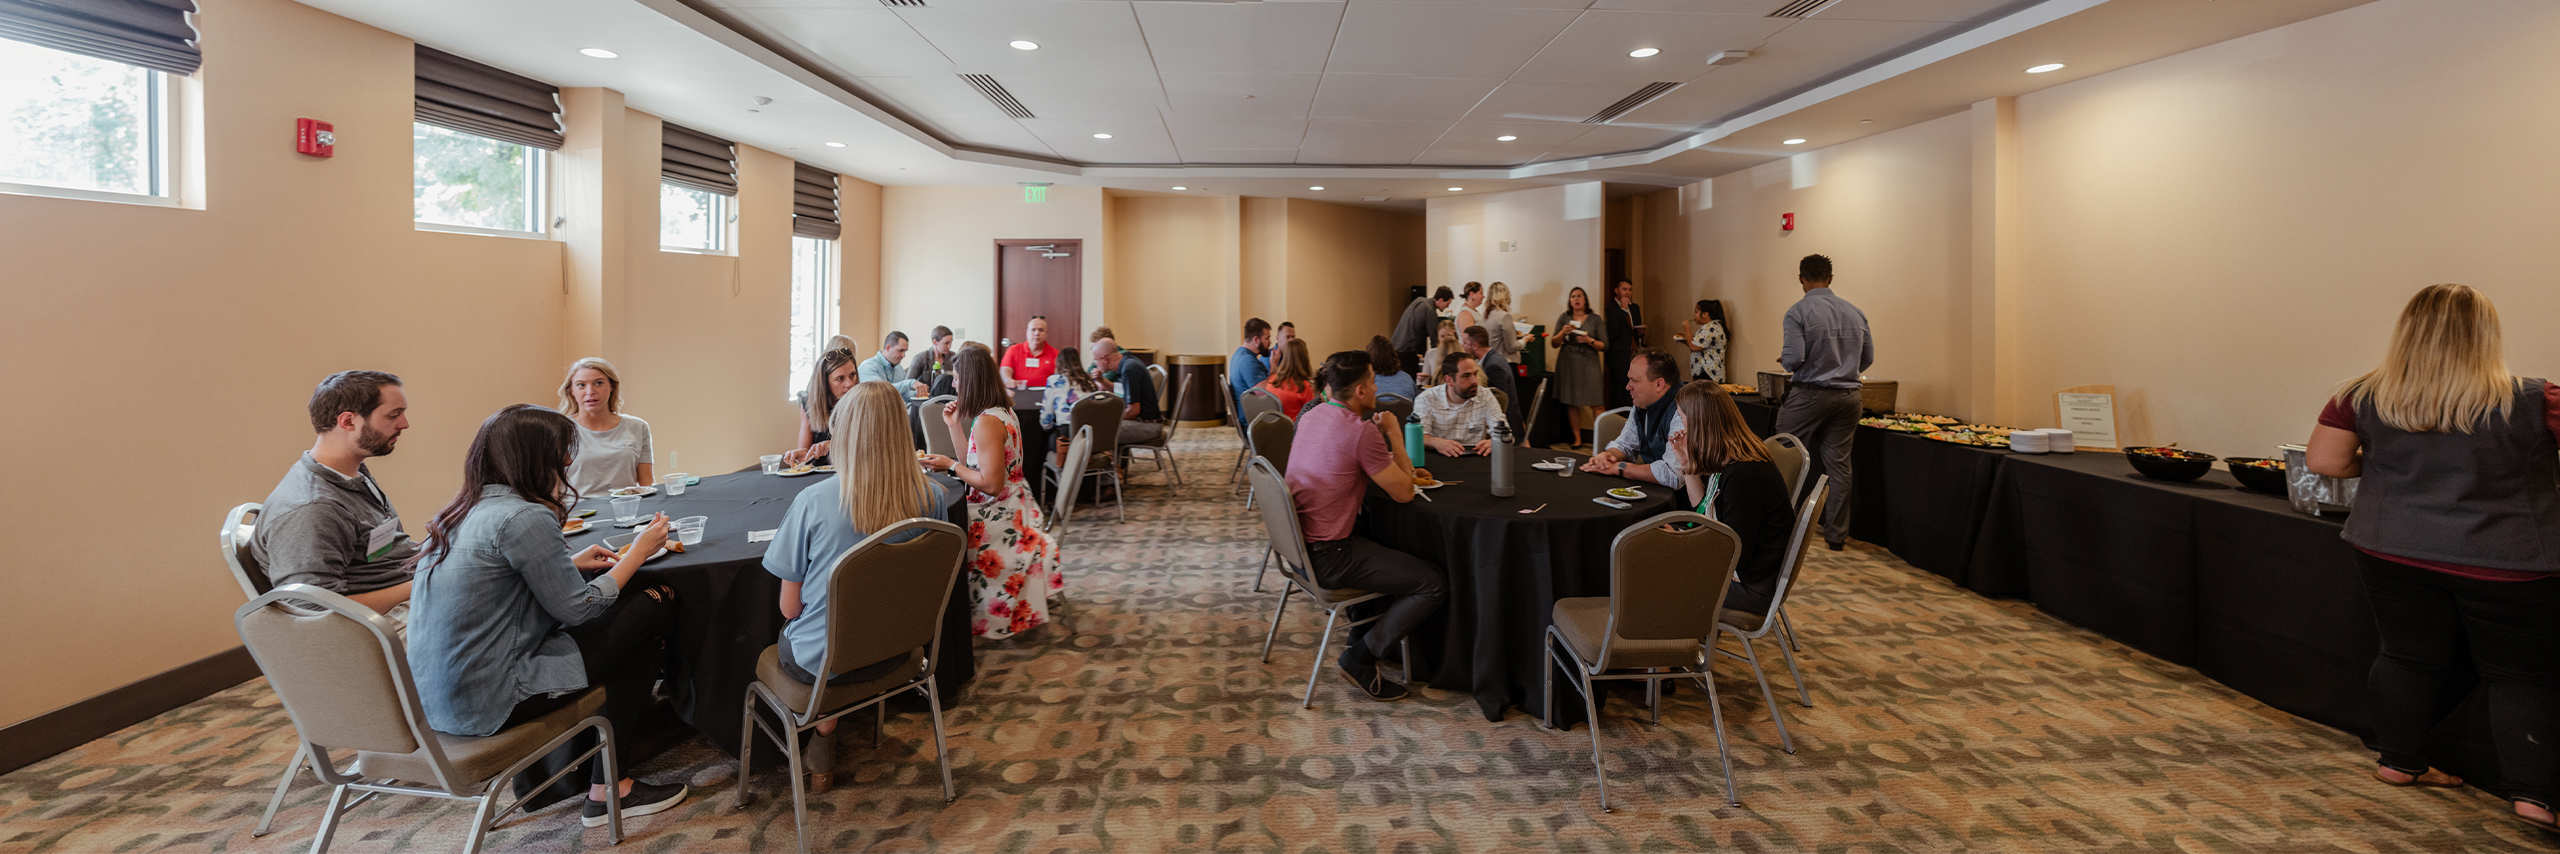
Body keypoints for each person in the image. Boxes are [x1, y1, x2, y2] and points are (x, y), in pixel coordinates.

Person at [2305, 283, 2560, 829]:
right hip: (2507, 560)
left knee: (2405, 656)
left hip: (2389, 547)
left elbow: (2325, 462)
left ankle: (2400, 763)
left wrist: (2390, 479)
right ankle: (2534, 797)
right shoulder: (2537, 398)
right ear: (2486, 335)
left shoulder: (2362, 393)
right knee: (2519, 676)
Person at [405, 405, 688, 827]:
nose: (569, 461)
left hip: (439, 700)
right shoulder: (525, 515)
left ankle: (589, 770)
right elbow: (580, 607)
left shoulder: (460, 511)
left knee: (632, 632)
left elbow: (494, 585)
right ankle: (611, 785)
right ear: (536, 457)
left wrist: (566, 564)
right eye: (563, 451)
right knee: (654, 602)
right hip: (495, 696)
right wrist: (640, 552)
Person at [763, 381, 950, 794]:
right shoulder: (934, 497)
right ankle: (826, 735)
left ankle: (822, 734)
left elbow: (790, 609)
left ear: (842, 432)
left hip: (825, 662)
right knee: (850, 628)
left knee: (809, 635)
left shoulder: (813, 501)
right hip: (899, 651)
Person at [1285, 349, 1446, 702]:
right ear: (1359, 391)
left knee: (1380, 539)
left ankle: (1361, 634)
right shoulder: (1361, 433)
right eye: (1372, 382)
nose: (1376, 388)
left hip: (1297, 550)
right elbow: (1405, 492)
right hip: (1331, 556)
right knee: (1432, 583)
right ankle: (1361, 657)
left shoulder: (1313, 416)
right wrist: (1394, 435)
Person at [253, 370, 418, 615]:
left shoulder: (352, 473)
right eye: (394, 415)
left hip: (406, 587)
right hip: (385, 622)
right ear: (349, 421)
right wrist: (422, 585)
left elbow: (381, 550)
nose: (404, 424)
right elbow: (314, 608)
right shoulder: (312, 509)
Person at [924, 346, 1059, 639]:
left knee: (938, 535)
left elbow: (990, 484)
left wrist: (949, 466)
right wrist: (953, 427)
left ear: (971, 381)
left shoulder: (987, 422)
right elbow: (973, 463)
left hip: (1000, 515)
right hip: (1016, 505)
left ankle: (949, 625)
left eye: (958, 379)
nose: (954, 385)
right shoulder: (1000, 411)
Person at [1665, 382, 1795, 615]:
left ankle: (1672, 645)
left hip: (1751, 587)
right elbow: (1705, 513)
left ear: (1698, 422)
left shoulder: (1743, 474)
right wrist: (1688, 465)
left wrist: (1682, 543)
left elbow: (1735, 555)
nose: (1680, 426)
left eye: (1681, 417)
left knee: (1649, 567)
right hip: (1748, 574)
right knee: (1659, 549)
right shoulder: (1730, 457)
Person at [1772, 254, 1872, 551]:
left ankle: (1777, 525)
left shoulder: (1798, 311)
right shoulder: (1856, 312)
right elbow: (1866, 360)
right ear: (1830, 278)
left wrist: (1788, 360)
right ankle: (1836, 535)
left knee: (1782, 453)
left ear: (1802, 279)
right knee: (1839, 466)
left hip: (1810, 394)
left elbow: (1793, 360)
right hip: (1849, 396)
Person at [1582, 348, 1685, 492]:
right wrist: (1609, 456)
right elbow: (1625, 444)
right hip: (1658, 491)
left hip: (1688, 504)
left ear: (1658, 384)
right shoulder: (1643, 404)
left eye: (1634, 380)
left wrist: (1621, 468)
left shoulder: (1684, 409)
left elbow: (1673, 475)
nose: (1627, 386)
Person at [558, 358, 654, 498]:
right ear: (572, 390)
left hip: (626, 508)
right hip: (579, 513)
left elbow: (647, 483)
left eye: (598, 383)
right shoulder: (559, 430)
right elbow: (551, 489)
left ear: (611, 386)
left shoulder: (638, 427)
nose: (590, 391)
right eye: (581, 385)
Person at [1415, 353, 1503, 457]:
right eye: (1466, 376)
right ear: (1449, 380)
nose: (1474, 381)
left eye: (1475, 374)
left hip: (1475, 457)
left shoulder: (1485, 395)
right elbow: (1417, 437)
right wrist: (1435, 442)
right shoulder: (1427, 399)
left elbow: (1504, 433)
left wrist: (1495, 441)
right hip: (1441, 457)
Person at [1552, 286, 1607, 449]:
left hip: (1589, 362)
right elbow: (1554, 343)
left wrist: (1589, 340)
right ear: (1570, 301)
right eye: (1573, 296)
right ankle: (1577, 439)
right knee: (1572, 402)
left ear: (1585, 299)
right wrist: (1563, 332)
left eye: (1579, 296)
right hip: (1568, 363)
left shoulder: (1595, 319)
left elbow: (1604, 345)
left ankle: (1601, 440)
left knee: (1597, 403)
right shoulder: (1564, 317)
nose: (1576, 299)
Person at [789, 346, 858, 466]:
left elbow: (869, 445)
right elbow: (805, 454)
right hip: (821, 472)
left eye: (852, 375)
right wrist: (802, 454)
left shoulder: (863, 401)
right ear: (825, 383)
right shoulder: (809, 404)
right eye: (840, 379)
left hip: (854, 470)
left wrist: (833, 444)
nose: (850, 383)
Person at [1093, 338, 1164, 446]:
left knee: (1099, 431)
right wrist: (1102, 380)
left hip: (1148, 426)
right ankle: (1117, 461)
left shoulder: (1129, 370)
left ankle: (1111, 462)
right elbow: (1121, 391)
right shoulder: (1128, 362)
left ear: (1105, 359)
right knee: (1102, 425)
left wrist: (1110, 419)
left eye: (1096, 359)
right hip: (1145, 421)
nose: (1095, 364)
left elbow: (1133, 411)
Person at [1465, 325, 1520, 433]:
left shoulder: (1493, 366)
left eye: (1465, 343)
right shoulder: (1494, 358)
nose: (1463, 346)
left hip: (1504, 426)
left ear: (1475, 345)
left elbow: (1500, 401)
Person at [1391, 286, 1454, 376]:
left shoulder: (1419, 301)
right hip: (1407, 352)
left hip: (1396, 347)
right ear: (1440, 300)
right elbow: (1434, 338)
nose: (1447, 306)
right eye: (1447, 303)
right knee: (1412, 379)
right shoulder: (1430, 311)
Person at [1604, 279, 1645, 409]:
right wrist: (1622, 310)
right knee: (1619, 392)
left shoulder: (1635, 308)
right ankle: (1618, 421)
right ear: (1617, 290)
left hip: (1633, 355)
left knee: (1633, 390)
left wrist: (1640, 332)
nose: (1628, 292)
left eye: (1630, 290)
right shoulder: (1612, 308)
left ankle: (1632, 419)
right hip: (1618, 357)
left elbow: (1634, 330)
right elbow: (1611, 333)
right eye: (1624, 289)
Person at [1039, 347, 1101, 431]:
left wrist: (1049, 426)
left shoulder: (1055, 381)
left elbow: (1046, 418)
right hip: (1088, 431)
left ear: (1059, 363)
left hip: (1066, 431)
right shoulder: (1089, 381)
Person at [1255, 338, 1317, 421]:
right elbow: (1312, 417)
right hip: (1294, 430)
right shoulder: (1304, 387)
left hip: (1271, 429)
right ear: (1305, 358)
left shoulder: (1272, 380)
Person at [1676, 299, 1730, 383]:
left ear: (1705, 314)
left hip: (1708, 373)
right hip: (1709, 373)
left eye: (1696, 312)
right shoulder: (1713, 326)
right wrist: (1686, 342)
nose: (1694, 315)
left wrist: (1687, 330)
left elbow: (1695, 347)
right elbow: (1699, 345)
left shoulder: (1711, 327)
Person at [1000, 316, 1059, 390]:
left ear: (1046, 333)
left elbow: (1060, 377)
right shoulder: (1014, 350)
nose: (1037, 333)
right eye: (1033, 330)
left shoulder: (1056, 354)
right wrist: (1007, 380)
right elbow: (1005, 368)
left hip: (1046, 394)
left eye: (1041, 330)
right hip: (1018, 392)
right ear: (1027, 332)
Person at [860, 330, 922, 399]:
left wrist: (922, 393)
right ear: (888, 348)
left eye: (905, 351)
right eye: (901, 350)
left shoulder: (899, 368)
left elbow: (905, 395)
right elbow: (880, 391)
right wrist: (910, 383)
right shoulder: (868, 366)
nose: (903, 355)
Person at [1229, 318, 1273, 411]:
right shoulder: (1248, 362)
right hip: (1256, 418)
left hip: (1252, 414)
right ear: (1256, 340)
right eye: (1267, 338)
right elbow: (1268, 395)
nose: (1270, 342)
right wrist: (1274, 367)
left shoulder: (1239, 354)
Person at [1365, 336, 1418, 402]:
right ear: (1394, 355)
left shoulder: (1365, 383)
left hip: (1374, 412)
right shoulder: (1408, 379)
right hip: (1402, 412)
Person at [905, 326, 955, 392]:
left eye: (951, 342)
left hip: (947, 396)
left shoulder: (952, 356)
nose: (949, 346)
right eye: (946, 343)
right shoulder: (921, 358)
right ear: (935, 342)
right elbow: (908, 383)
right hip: (926, 398)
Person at [1483, 282, 1519, 362]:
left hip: (1489, 360)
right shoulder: (1504, 316)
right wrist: (1526, 340)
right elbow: (1511, 347)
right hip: (1504, 361)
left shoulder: (1483, 317)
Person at [1420, 318, 1462, 383]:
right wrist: (1421, 379)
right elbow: (1425, 380)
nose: (1446, 339)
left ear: (1455, 337)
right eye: (1442, 336)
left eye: (1449, 336)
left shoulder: (1462, 353)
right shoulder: (1430, 353)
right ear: (1438, 338)